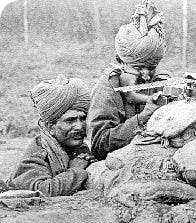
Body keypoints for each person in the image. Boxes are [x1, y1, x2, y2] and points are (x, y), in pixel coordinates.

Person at [88, 0, 166, 160]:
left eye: (151, 68)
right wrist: (143, 117)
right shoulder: (109, 87)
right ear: (121, 62)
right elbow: (98, 145)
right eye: (138, 68)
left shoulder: (161, 81)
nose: (146, 76)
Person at [7, 74, 95, 197]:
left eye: (83, 118)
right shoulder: (39, 154)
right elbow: (43, 192)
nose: (79, 127)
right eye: (70, 121)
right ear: (49, 127)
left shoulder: (77, 147)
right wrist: (76, 171)